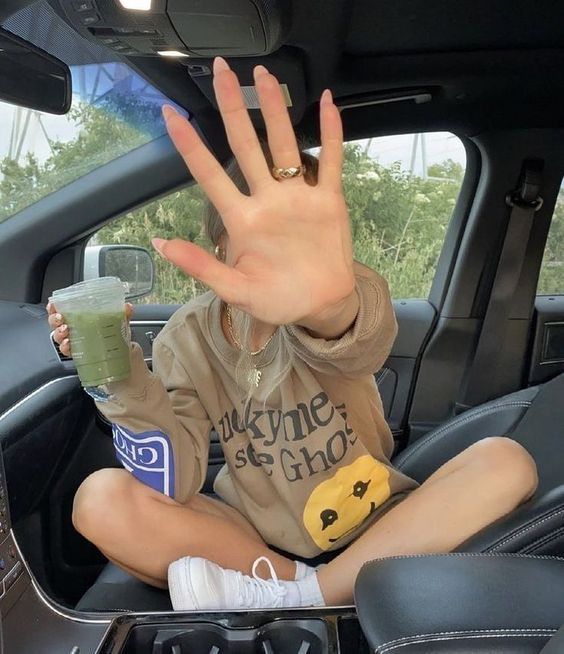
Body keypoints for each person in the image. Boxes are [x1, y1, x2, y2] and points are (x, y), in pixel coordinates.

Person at [48, 57, 538, 611]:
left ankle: (308, 596)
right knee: (99, 499)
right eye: (262, 234)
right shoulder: (186, 337)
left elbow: (362, 339)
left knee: (507, 460)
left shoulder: (338, 297)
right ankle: (293, 587)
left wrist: (328, 308)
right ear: (219, 248)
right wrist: (123, 374)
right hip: (256, 540)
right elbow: (179, 477)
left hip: (379, 521)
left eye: (304, 236)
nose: (285, 253)